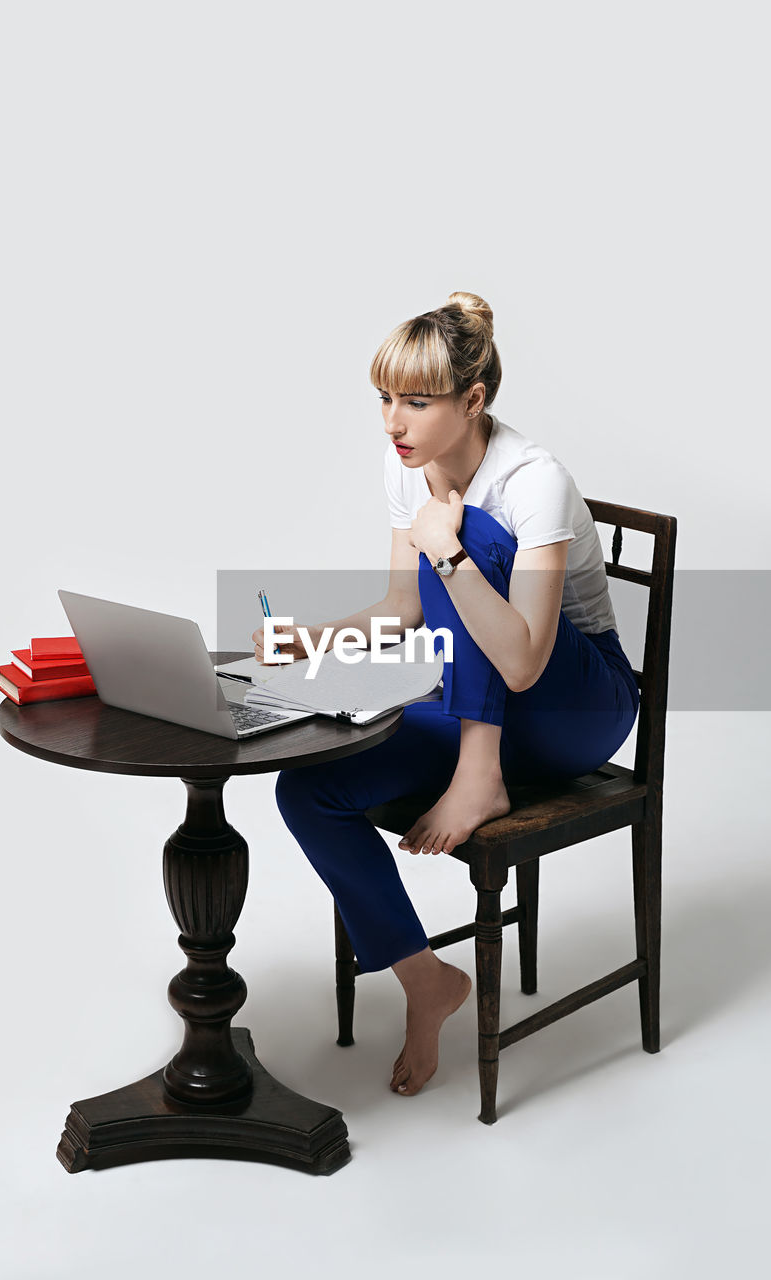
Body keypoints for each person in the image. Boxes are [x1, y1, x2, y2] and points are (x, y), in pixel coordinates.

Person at [251, 291, 639, 1100]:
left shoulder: (534, 479)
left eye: (415, 403)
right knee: (311, 788)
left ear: (473, 399)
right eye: (385, 400)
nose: (393, 421)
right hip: (481, 696)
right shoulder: (410, 469)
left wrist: (449, 551)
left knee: (469, 533)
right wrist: (312, 637)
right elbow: (402, 609)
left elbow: (528, 661)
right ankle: (424, 978)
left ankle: (478, 773)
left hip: (576, 705)